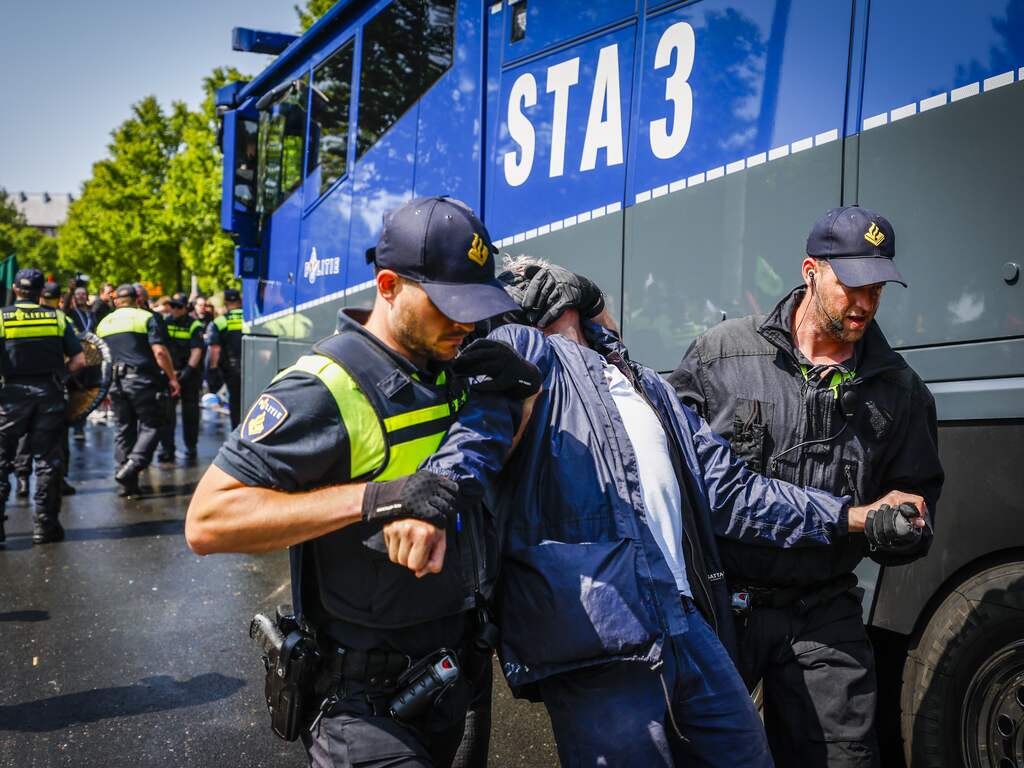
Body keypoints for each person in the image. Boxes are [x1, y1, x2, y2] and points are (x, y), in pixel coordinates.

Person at [417, 256, 927, 768]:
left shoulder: (646, 384)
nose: (601, 305)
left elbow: (733, 492)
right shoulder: (531, 354)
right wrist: (433, 497)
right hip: (599, 624)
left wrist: (852, 517)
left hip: (679, 615)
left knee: (746, 754)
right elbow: (477, 436)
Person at [185, 196, 530, 768]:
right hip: (364, 707)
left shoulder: (448, 364)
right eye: (449, 306)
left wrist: (509, 399)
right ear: (388, 286)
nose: (466, 323)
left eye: (474, 306)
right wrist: (377, 498)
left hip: (450, 676)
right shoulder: (324, 386)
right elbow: (208, 521)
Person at [668, 206, 943, 767]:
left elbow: (918, 506)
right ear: (811, 271)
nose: (865, 302)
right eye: (852, 285)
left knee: (844, 759)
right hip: (723, 607)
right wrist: (854, 516)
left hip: (825, 610)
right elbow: (693, 491)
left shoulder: (901, 391)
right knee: (694, 753)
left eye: (877, 289)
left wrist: (904, 527)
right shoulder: (720, 357)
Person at [0, 269, 85, 544]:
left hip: (10, 396)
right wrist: (61, 376)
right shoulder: (57, 318)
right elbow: (80, 360)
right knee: (48, 462)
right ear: (40, 292)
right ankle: (45, 527)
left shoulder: (2, 317)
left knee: (2, 461)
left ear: (15, 289)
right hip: (49, 393)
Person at [97, 284, 180, 497]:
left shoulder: (104, 323)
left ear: (116, 301)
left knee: (123, 430)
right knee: (153, 425)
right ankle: (133, 465)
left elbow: (98, 358)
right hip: (142, 380)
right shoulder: (145, 317)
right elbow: (159, 352)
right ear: (137, 300)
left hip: (114, 382)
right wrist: (172, 378)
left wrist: (102, 387)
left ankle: (127, 485)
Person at [158, 292, 204, 464]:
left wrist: (187, 371)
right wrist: (170, 372)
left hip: (189, 376)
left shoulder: (194, 325)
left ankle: (191, 447)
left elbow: (197, 351)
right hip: (170, 374)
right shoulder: (165, 323)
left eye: (178, 307)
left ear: (186, 308)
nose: (175, 309)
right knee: (167, 415)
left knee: (190, 414)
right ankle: (167, 449)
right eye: (172, 306)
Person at [205, 288, 244, 427]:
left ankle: (237, 431)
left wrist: (212, 369)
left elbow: (215, 349)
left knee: (235, 402)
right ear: (240, 301)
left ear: (225, 302)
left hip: (232, 370)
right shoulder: (251, 318)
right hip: (253, 368)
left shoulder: (220, 321)